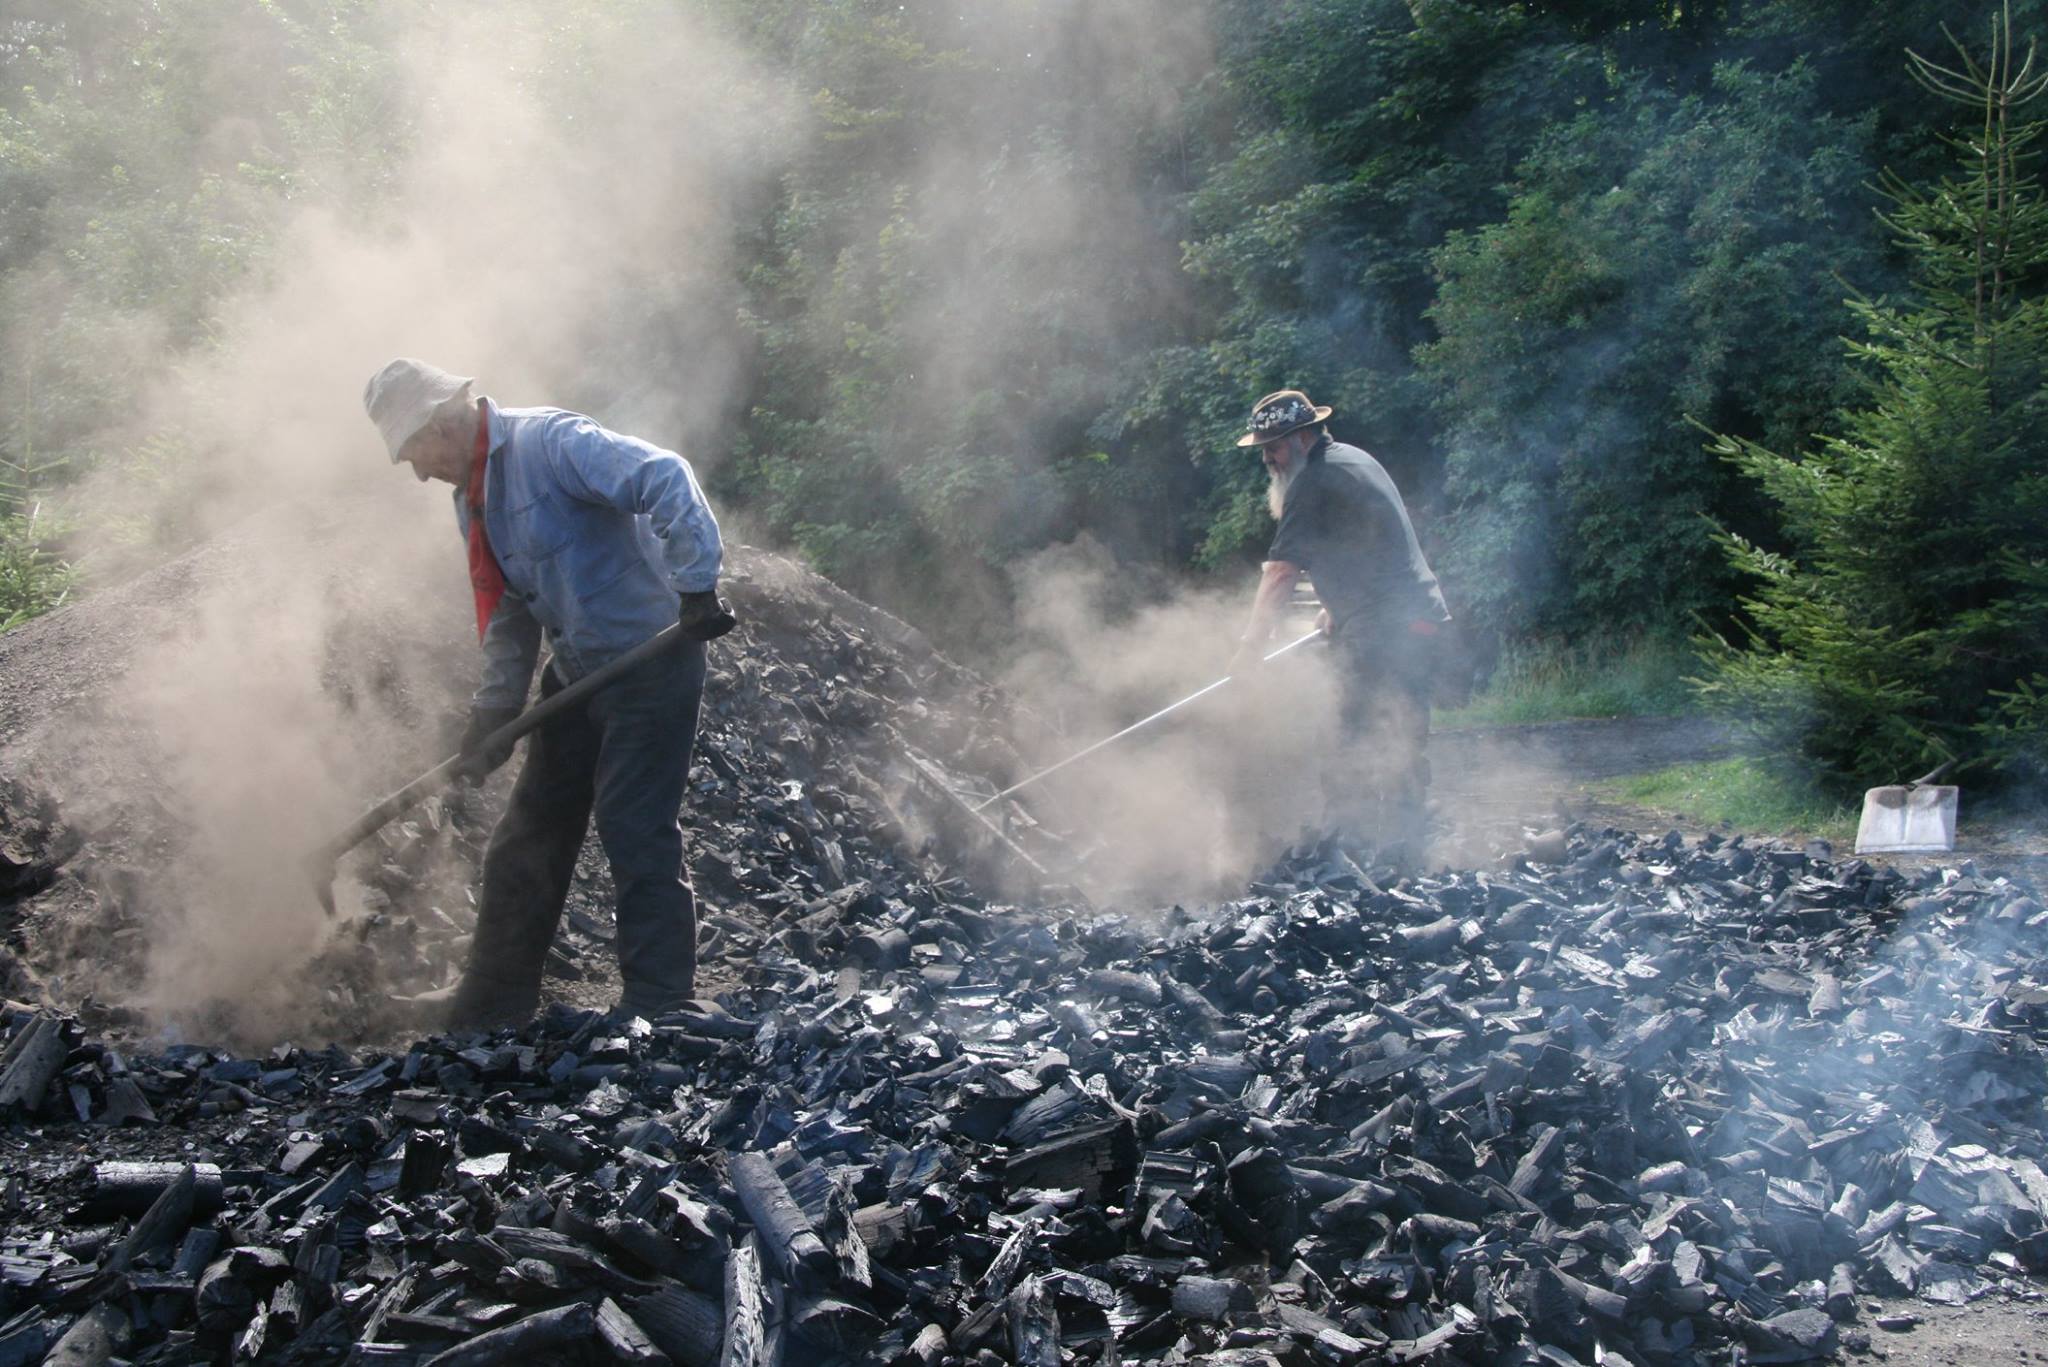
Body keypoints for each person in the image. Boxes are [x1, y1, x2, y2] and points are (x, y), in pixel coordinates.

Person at [363, 357, 736, 1027]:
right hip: (579, 669)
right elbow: (508, 607)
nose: (418, 473)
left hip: (651, 664)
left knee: (633, 824)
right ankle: (494, 998)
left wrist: (697, 583)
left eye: (415, 454)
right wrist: (496, 709)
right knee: (528, 830)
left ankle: (662, 1001)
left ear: (444, 423)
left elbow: (664, 475)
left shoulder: (552, 444)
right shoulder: (472, 501)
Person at [1227, 389, 1451, 865]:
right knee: (1399, 731)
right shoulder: (1353, 460)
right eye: (1264, 447)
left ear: (1303, 436)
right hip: (1416, 616)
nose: (1267, 456)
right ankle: (1408, 852)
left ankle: (1346, 852)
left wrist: (1250, 648)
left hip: (1386, 625)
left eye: (1275, 445)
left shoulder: (1313, 480)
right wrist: (1338, 606)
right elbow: (1369, 541)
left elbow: (1282, 572)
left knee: (1350, 734)